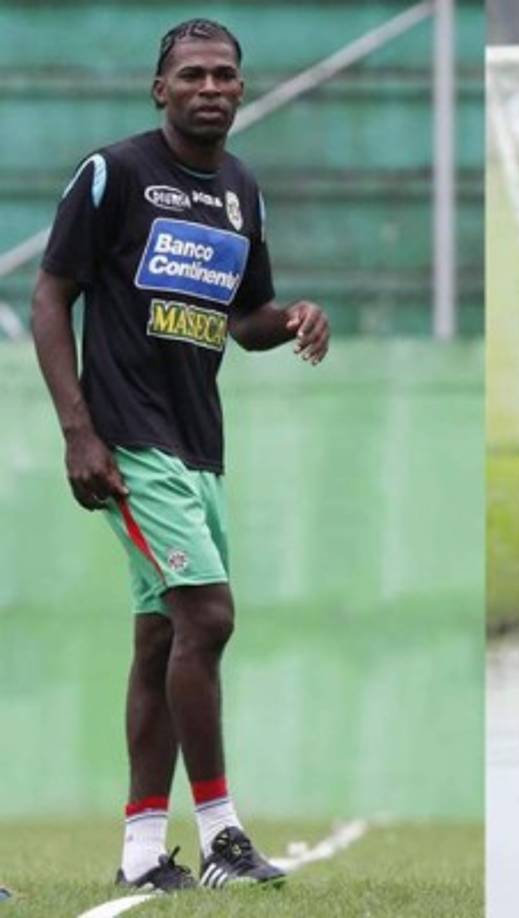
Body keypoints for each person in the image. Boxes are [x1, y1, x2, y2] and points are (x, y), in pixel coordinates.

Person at [30, 19, 329, 893]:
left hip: (201, 445)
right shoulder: (113, 174)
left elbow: (246, 316)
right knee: (209, 619)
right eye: (192, 74)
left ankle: (140, 856)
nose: (210, 87)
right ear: (159, 90)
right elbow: (52, 297)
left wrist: (294, 319)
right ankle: (224, 838)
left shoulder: (241, 190)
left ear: (241, 89)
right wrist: (79, 432)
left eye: (225, 76)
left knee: (165, 632)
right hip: (131, 439)